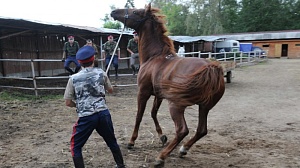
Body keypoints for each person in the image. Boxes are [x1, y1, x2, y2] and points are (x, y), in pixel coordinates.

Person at [64, 46, 125, 168]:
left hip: (86, 116)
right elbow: (110, 90)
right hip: (103, 113)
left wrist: (79, 106)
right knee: (111, 141)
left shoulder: (73, 79)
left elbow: (68, 102)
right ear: (93, 59)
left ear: (79, 62)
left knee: (75, 146)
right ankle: (120, 165)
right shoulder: (101, 73)